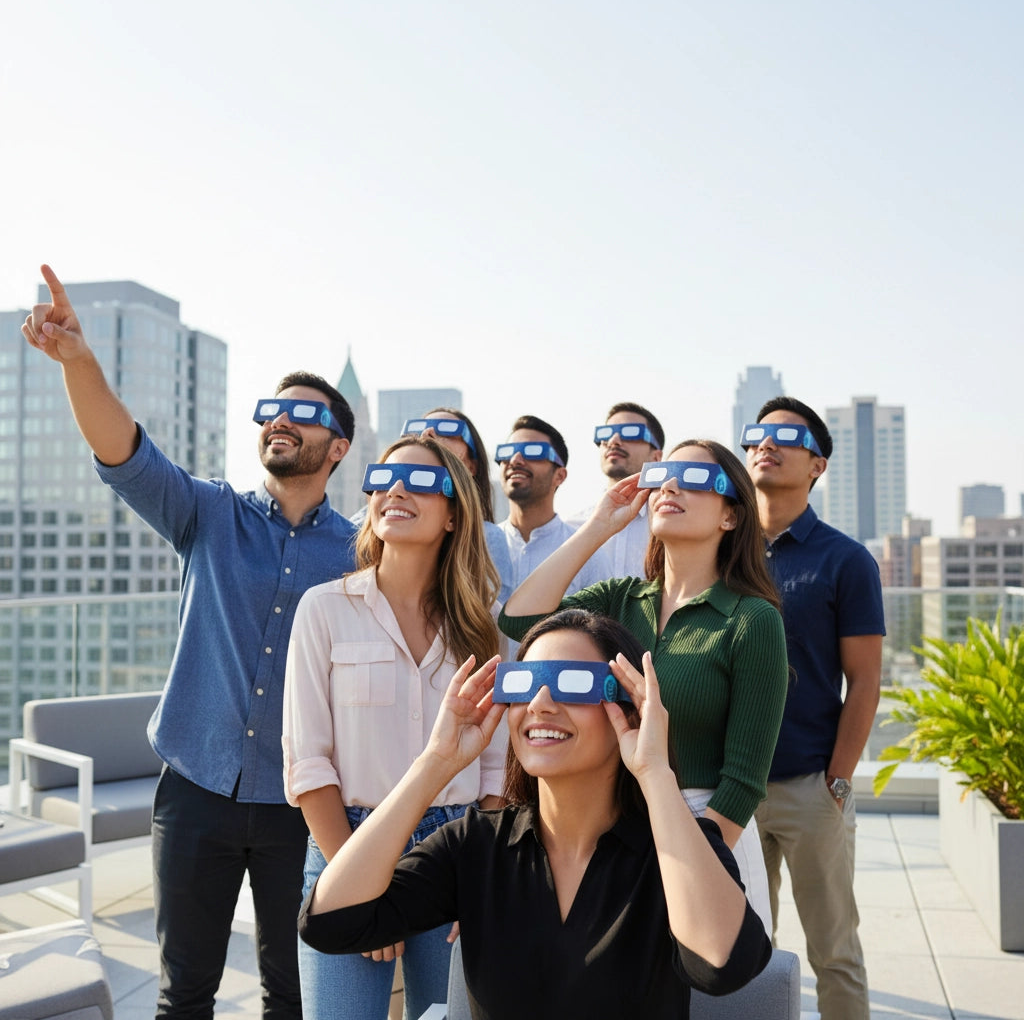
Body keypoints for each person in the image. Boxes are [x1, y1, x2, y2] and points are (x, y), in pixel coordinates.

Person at [22, 265, 358, 1019]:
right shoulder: (208, 512)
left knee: (293, 995)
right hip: (195, 790)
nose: (280, 420)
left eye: (302, 413)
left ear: (338, 447)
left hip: (302, 803)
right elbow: (124, 451)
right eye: (272, 409)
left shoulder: (360, 554)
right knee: (184, 996)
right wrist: (78, 360)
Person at [297, 609, 771, 1020]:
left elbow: (723, 964)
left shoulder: (675, 850)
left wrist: (654, 772)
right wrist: (434, 764)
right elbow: (330, 921)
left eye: (573, 684)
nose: (541, 704)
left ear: (630, 711)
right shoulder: (476, 845)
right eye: (523, 685)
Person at [500, 439, 788, 933]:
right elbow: (521, 619)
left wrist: (693, 861)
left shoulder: (752, 619)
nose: (669, 486)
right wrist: (600, 526)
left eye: (693, 478)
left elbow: (743, 781)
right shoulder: (621, 600)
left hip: (707, 825)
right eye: (661, 477)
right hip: (615, 826)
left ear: (731, 516)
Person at [283, 435, 506, 1020]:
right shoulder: (322, 609)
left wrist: (479, 879)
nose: (397, 490)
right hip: (345, 841)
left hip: (453, 850)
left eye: (421, 481)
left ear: (454, 513)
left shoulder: (482, 629)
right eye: (383, 479)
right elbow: (308, 764)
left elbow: (495, 773)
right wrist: (359, 881)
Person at [743, 397, 885, 1020]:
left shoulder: (845, 559)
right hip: (733, 786)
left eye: (787, 438)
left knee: (834, 951)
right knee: (743, 952)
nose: (766, 445)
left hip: (811, 784)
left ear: (818, 466)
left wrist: (838, 779)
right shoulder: (724, 551)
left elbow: (866, 680)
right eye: (757, 435)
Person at [399, 408, 514, 603]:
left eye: (447, 433)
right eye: (419, 430)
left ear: (471, 466)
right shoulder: (376, 519)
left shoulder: (487, 538)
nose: (428, 434)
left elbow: (493, 616)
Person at [496, 414, 611, 595]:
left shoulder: (587, 556)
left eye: (533, 451)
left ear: (559, 476)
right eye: (507, 452)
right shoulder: (476, 547)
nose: (515, 459)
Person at [567, 401, 665, 578]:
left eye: (630, 433)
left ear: (656, 457)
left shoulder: (669, 525)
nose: (613, 441)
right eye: (606, 434)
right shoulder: (573, 528)